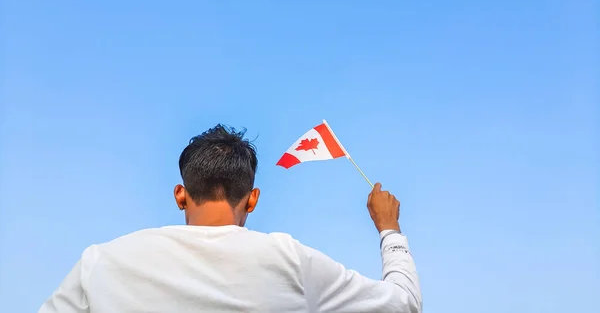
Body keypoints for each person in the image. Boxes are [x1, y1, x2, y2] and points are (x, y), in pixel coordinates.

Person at [39, 124, 422, 313]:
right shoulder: (289, 259)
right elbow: (404, 305)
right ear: (252, 199)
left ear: (180, 194)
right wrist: (390, 228)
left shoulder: (101, 262)